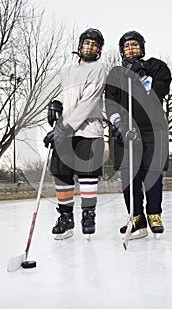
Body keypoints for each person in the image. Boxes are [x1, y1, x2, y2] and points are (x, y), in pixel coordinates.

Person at [105, 31, 171, 239]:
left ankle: (154, 214)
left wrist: (141, 75)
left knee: (152, 174)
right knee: (129, 176)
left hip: (153, 129)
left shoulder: (156, 67)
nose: (131, 49)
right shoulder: (116, 74)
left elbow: (157, 92)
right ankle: (136, 218)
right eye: (127, 46)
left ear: (142, 47)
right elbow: (110, 101)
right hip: (127, 131)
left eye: (134, 45)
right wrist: (118, 124)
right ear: (121, 51)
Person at [44, 28, 107, 240]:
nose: (90, 47)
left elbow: (87, 103)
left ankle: (88, 215)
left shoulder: (98, 69)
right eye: (87, 43)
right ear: (80, 45)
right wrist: (55, 104)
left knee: (88, 174)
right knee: (61, 174)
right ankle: (65, 217)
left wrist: (63, 128)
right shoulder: (67, 70)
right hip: (66, 131)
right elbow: (65, 97)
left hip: (89, 131)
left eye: (94, 44)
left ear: (99, 49)